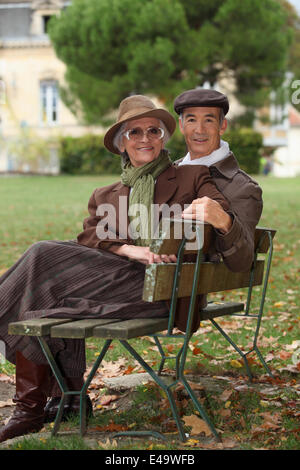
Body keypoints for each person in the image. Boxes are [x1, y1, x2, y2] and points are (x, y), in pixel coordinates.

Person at [0, 95, 229, 443]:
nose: (144, 139)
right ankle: (50, 403)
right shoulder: (105, 194)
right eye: (134, 132)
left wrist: (190, 230)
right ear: (122, 142)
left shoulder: (192, 177)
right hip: (117, 282)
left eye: (153, 130)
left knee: (43, 255)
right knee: (42, 294)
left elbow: (216, 215)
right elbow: (90, 234)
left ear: (163, 137)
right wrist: (132, 250)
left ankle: (45, 404)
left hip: (166, 289)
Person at [173, 88, 263, 272]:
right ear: (181, 126)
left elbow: (242, 262)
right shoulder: (169, 171)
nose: (200, 130)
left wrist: (225, 222)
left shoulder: (243, 188)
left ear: (222, 126)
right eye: (191, 120)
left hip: (178, 293)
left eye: (209, 120)